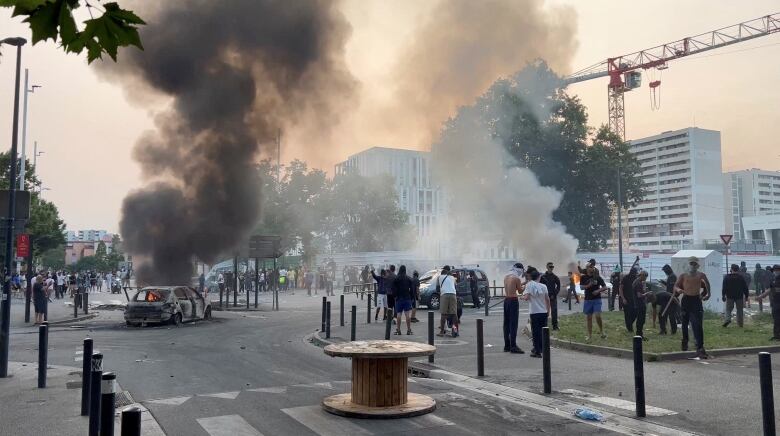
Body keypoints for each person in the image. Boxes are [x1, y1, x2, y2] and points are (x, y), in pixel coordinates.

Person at [674, 256, 711, 358]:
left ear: (697, 265)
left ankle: (700, 347)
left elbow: (707, 283)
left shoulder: (701, 275)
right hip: (686, 300)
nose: (693, 266)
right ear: (689, 264)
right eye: (691, 264)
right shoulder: (683, 275)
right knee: (684, 323)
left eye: (695, 264)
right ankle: (685, 341)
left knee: (698, 324)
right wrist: (678, 290)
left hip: (696, 300)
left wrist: (708, 294)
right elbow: (676, 286)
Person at [523, 267, 550, 358]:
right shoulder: (544, 286)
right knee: (543, 332)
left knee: (536, 332)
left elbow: (526, 297)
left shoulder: (529, 285)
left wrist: (523, 297)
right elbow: (547, 300)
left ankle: (537, 351)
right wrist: (548, 311)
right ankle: (543, 349)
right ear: (538, 277)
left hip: (534, 312)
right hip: (543, 312)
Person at [502, 263, 525, 353]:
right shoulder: (516, 278)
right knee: (513, 324)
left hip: (506, 300)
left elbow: (513, 287)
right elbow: (519, 290)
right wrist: (525, 287)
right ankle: (513, 346)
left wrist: (523, 283)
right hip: (513, 301)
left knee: (506, 324)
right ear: (519, 270)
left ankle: (506, 345)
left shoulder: (506, 277)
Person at [581, 264, 608, 341]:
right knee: (589, 318)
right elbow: (581, 287)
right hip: (588, 300)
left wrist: (598, 291)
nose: (591, 268)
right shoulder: (583, 277)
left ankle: (602, 332)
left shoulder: (597, 277)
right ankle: (589, 335)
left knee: (597, 315)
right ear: (587, 268)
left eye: (592, 267)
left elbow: (605, 287)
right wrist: (589, 285)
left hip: (597, 299)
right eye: (590, 267)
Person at [756, 264, 780, 341]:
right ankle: (776, 335)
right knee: (776, 319)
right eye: (775, 270)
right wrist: (761, 296)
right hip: (775, 302)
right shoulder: (774, 279)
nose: (776, 272)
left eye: (777, 270)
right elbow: (769, 289)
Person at [722, 264, 749, 328]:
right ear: (738, 269)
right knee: (739, 310)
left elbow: (724, 287)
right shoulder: (741, 277)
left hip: (729, 296)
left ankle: (727, 319)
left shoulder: (727, 277)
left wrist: (723, 295)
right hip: (739, 296)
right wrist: (746, 296)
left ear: (731, 269)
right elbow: (745, 287)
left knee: (728, 309)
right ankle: (740, 324)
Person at [437, 265, 460, 338]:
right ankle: (455, 331)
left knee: (443, 314)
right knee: (454, 314)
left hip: (445, 295)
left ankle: (442, 332)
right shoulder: (452, 278)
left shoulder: (440, 277)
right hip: (453, 294)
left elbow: (438, 288)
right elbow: (456, 284)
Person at [392, 265, 414, 335]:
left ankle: (398, 330)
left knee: (399, 314)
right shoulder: (409, 278)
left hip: (399, 298)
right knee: (407, 314)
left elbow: (393, 288)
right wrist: (412, 297)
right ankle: (408, 330)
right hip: (407, 298)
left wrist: (395, 296)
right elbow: (412, 289)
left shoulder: (396, 278)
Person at [540, 262, 560, 330]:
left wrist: (554, 294)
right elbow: (540, 286)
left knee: (554, 311)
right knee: (544, 311)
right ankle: (544, 325)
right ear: (547, 267)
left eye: (552, 267)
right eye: (550, 267)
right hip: (545, 297)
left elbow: (558, 286)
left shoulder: (555, 277)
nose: (551, 268)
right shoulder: (543, 277)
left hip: (552, 297)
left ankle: (555, 326)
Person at [632, 271, 651, 339]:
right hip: (640, 304)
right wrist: (647, 294)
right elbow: (639, 295)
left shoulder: (636, 281)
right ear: (642, 275)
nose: (646, 278)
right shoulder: (638, 283)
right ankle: (639, 334)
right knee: (641, 320)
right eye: (646, 276)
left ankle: (639, 334)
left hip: (637, 304)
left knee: (640, 320)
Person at [620, 267, 639, 332]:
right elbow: (621, 288)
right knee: (627, 314)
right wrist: (623, 298)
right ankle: (630, 329)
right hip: (626, 299)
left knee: (635, 313)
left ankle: (629, 324)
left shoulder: (636, 279)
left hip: (634, 299)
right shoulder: (625, 278)